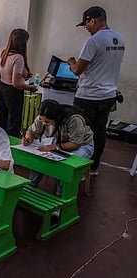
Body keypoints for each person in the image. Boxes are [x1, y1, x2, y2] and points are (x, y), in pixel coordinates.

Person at [68, 6, 124, 176]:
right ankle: (93, 168)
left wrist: (71, 62)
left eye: (86, 24)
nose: (86, 28)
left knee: (81, 132)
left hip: (88, 95)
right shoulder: (119, 38)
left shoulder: (94, 41)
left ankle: (78, 168)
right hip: (108, 95)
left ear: (92, 21)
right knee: (99, 132)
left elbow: (78, 70)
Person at [22, 99, 94, 193]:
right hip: (57, 141)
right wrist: (28, 139)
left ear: (57, 118)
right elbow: (32, 131)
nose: (44, 123)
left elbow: (76, 143)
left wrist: (54, 147)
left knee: (66, 165)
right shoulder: (42, 117)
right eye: (42, 120)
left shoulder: (74, 119)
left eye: (47, 122)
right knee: (40, 156)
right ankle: (31, 185)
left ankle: (61, 194)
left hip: (82, 145)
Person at [0, 28, 37, 137]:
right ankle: (12, 146)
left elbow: (6, 72)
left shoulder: (5, 53)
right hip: (12, 92)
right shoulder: (18, 57)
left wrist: (24, 73)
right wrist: (30, 87)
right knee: (13, 122)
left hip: (1, 87)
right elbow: (16, 83)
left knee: (2, 120)